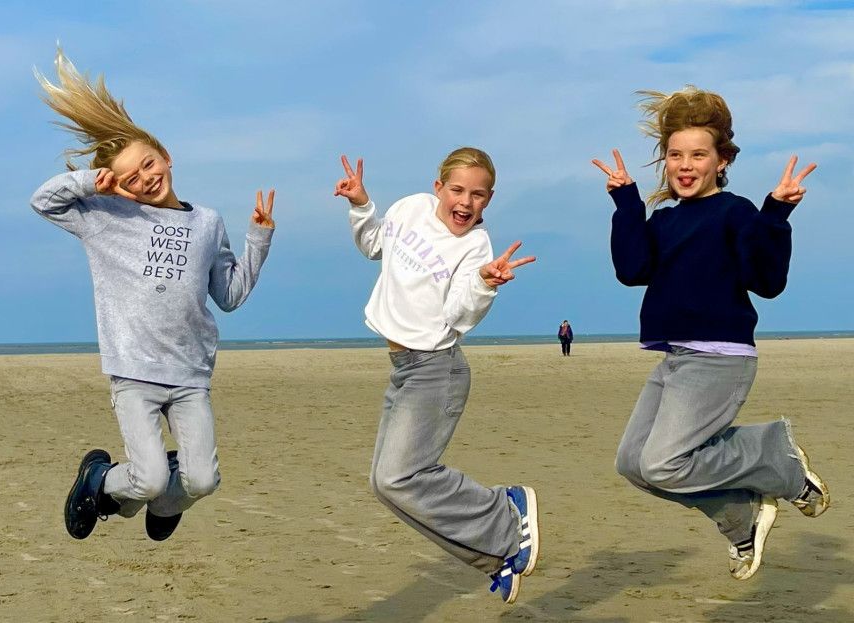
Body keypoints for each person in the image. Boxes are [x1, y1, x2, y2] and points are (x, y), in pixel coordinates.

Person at [32, 47, 275, 542]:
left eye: (147, 164)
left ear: (164, 155)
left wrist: (259, 239)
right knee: (145, 477)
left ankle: (165, 496)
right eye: (131, 177)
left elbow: (228, 295)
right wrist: (92, 182)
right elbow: (44, 202)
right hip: (134, 372)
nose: (145, 178)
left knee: (202, 480)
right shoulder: (105, 217)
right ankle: (100, 479)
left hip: (189, 374)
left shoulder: (207, 222)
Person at [595, 86, 831, 582]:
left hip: (719, 357)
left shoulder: (736, 212)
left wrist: (775, 214)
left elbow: (768, 283)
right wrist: (624, 203)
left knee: (664, 464)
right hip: (676, 358)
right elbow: (631, 268)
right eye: (675, 155)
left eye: (698, 155)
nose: (685, 165)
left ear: (721, 161)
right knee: (634, 464)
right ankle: (740, 519)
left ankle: (777, 458)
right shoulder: (663, 220)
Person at [335, 149, 543, 603]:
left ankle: (504, 513)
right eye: (457, 190)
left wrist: (485, 283)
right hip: (403, 368)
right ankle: (496, 556)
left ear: (489, 200)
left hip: (436, 369)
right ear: (438, 188)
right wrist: (360, 205)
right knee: (385, 485)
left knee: (399, 478)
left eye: (478, 195)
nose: (466, 202)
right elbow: (375, 245)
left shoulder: (476, 247)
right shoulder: (408, 208)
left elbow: (459, 312)